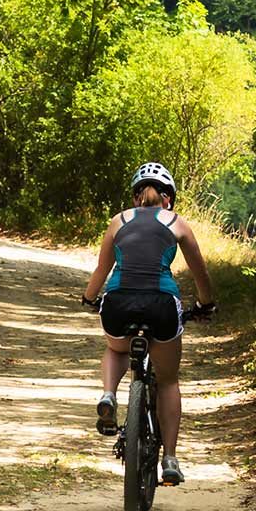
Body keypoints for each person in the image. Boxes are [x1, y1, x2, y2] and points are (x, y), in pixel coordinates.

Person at [79, 161, 215, 485]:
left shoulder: (118, 220)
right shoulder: (178, 223)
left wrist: (88, 298)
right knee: (167, 380)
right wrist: (206, 304)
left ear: (136, 197)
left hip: (117, 302)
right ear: (168, 198)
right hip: (161, 305)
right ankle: (169, 458)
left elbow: (101, 269)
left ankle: (109, 394)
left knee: (116, 349)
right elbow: (201, 273)